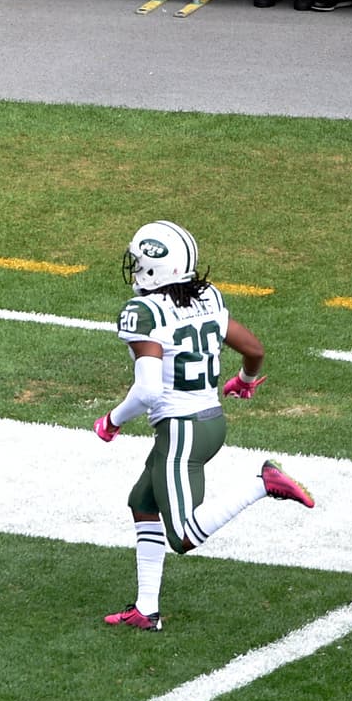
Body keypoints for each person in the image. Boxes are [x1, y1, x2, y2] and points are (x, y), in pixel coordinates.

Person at [92, 220, 314, 631]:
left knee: (184, 536)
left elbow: (147, 391)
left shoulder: (143, 311)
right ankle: (146, 609)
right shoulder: (206, 297)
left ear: (156, 268)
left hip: (182, 432)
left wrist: (112, 420)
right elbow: (254, 348)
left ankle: (263, 483)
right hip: (208, 422)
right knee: (142, 502)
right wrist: (244, 382)